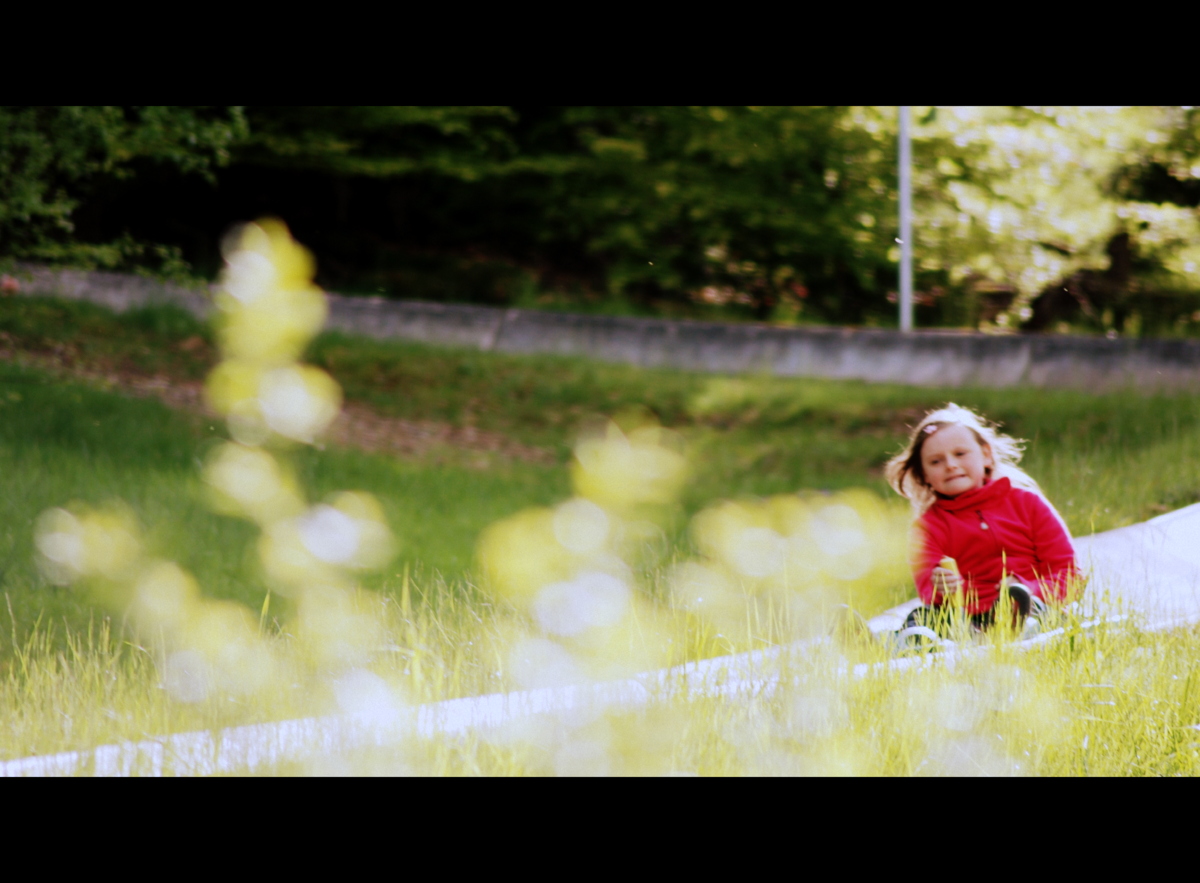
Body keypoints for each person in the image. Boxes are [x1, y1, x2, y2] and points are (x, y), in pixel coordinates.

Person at [883, 404, 1080, 640]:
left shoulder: (1028, 503)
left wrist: (1029, 589)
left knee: (1041, 613)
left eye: (960, 454)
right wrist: (942, 588)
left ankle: (1025, 631)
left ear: (986, 455)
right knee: (922, 617)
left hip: (1027, 607)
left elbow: (1069, 574)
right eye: (936, 462)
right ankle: (883, 643)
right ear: (924, 475)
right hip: (966, 618)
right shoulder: (928, 527)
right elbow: (928, 587)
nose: (950, 465)